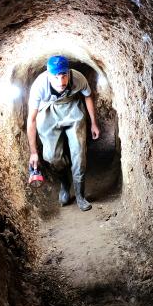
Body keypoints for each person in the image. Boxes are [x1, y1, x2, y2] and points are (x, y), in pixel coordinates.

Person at [27, 55, 100, 211]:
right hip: (49, 111)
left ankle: (80, 195)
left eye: (64, 75)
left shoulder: (78, 78)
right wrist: (33, 152)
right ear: (48, 75)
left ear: (68, 72)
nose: (61, 82)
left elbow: (88, 97)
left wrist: (93, 123)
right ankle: (65, 184)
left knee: (79, 154)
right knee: (52, 156)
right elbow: (31, 120)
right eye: (56, 76)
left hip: (72, 107)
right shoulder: (39, 86)